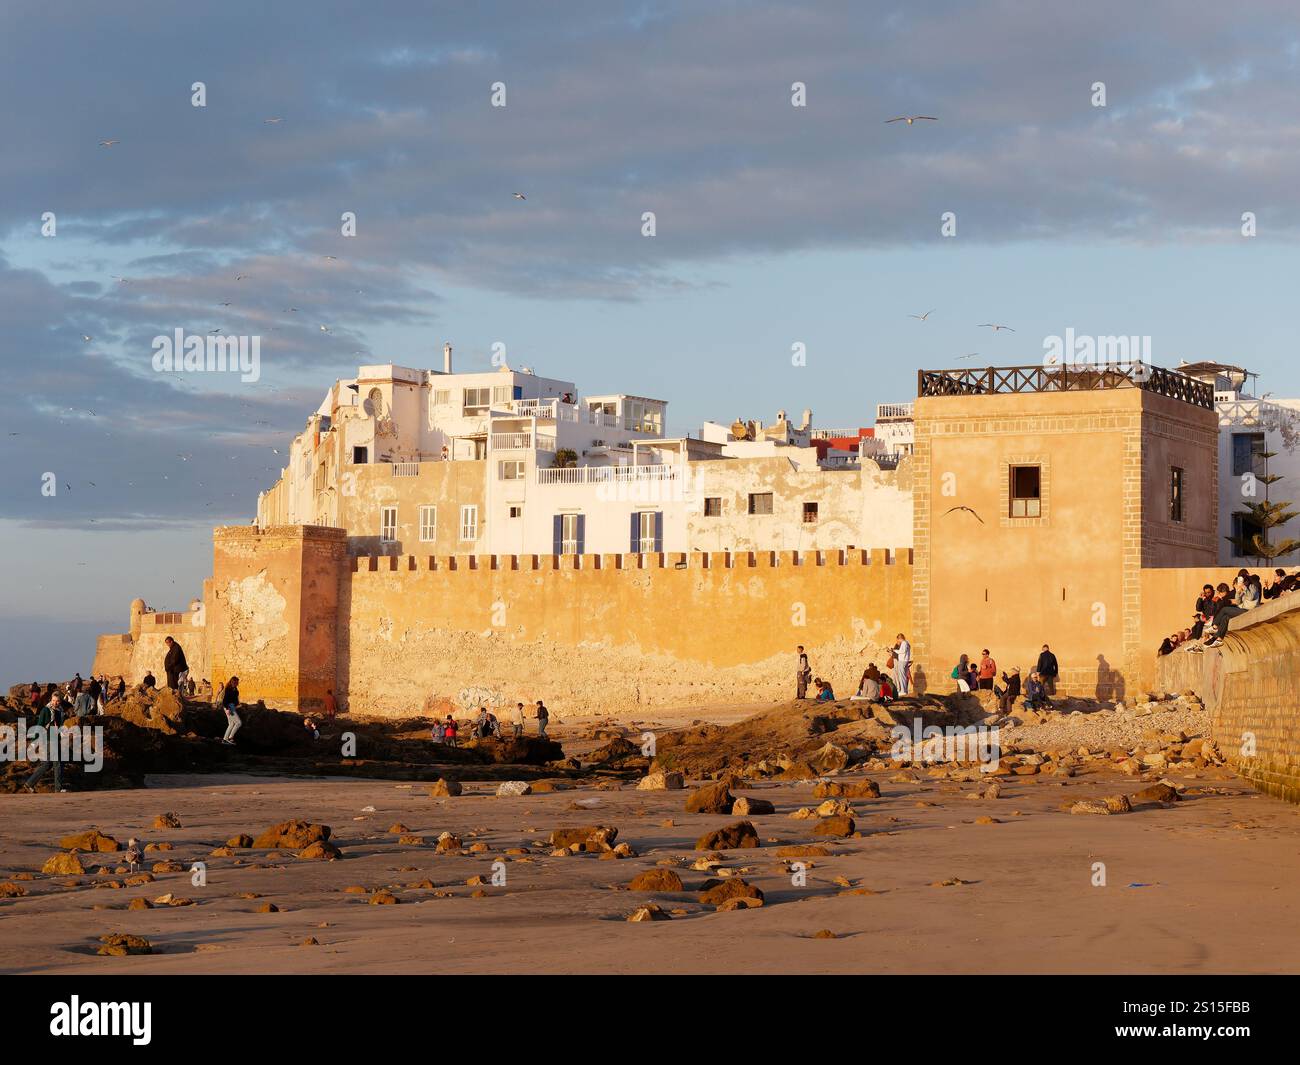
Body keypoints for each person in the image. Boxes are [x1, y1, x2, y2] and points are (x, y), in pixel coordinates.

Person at [23, 690, 67, 792]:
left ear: (60, 702)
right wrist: (34, 742)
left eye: (57, 701)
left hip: (55, 739)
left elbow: (59, 726)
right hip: (47, 739)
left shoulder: (60, 711)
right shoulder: (45, 710)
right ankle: (58, 788)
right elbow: (39, 725)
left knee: (47, 764)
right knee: (57, 763)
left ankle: (29, 783)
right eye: (53, 700)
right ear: (51, 700)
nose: (55, 702)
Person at [219, 677, 242, 745]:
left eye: (237, 682)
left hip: (231, 706)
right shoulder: (228, 689)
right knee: (238, 723)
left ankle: (225, 739)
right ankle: (230, 738)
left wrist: (238, 705)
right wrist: (227, 709)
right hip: (229, 707)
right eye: (236, 682)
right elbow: (225, 700)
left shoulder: (235, 690)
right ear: (233, 682)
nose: (237, 683)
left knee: (231, 724)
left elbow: (235, 700)